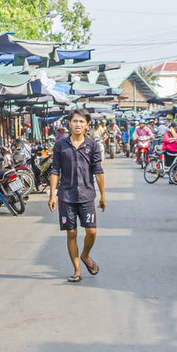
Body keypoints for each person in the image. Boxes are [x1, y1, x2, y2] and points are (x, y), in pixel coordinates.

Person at [48, 108, 106, 283]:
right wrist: (52, 194)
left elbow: (98, 171)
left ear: (87, 124)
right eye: (75, 121)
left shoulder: (92, 145)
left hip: (87, 195)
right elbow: (55, 170)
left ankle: (85, 255)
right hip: (66, 196)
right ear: (69, 123)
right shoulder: (60, 145)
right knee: (71, 232)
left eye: (81, 121)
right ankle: (77, 269)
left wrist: (103, 195)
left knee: (92, 231)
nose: (78, 124)